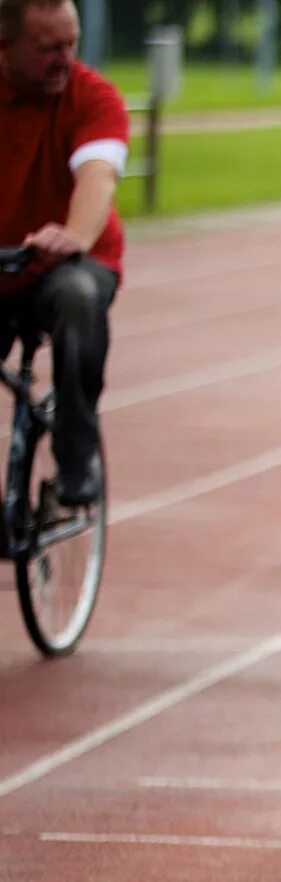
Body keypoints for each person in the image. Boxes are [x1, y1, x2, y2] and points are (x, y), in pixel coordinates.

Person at [0, 0, 127, 507]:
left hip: (69, 262)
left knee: (77, 295)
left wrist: (73, 235)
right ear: (4, 46)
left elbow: (98, 172)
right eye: (48, 48)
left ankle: (77, 457)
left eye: (70, 44)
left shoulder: (92, 96)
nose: (65, 59)